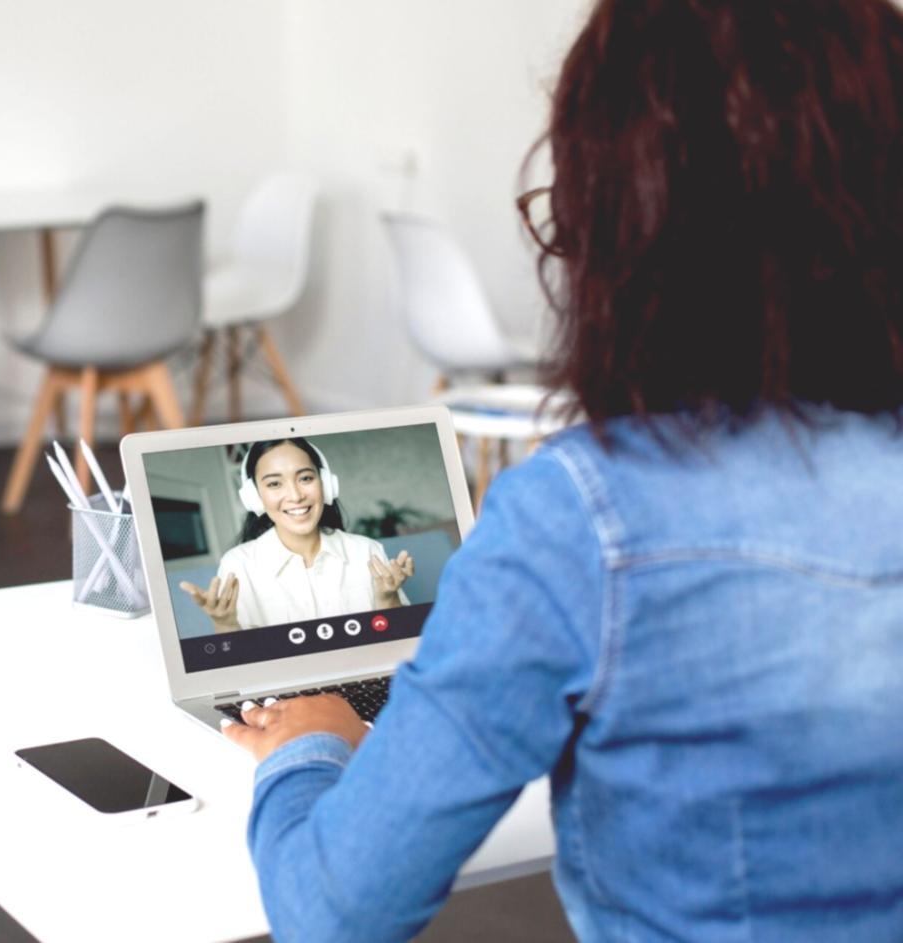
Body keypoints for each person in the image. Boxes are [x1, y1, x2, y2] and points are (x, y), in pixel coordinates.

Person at [216, 1, 903, 940]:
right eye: (275, 484)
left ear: (620, 220)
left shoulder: (588, 518)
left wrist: (305, 751)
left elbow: (333, 909)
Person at [179, 438, 414, 631]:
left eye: (305, 478)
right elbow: (238, 663)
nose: (295, 496)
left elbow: (398, 640)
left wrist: (387, 599)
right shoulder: (239, 564)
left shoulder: (366, 551)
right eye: (274, 484)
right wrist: (224, 624)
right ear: (254, 497)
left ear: (326, 485)